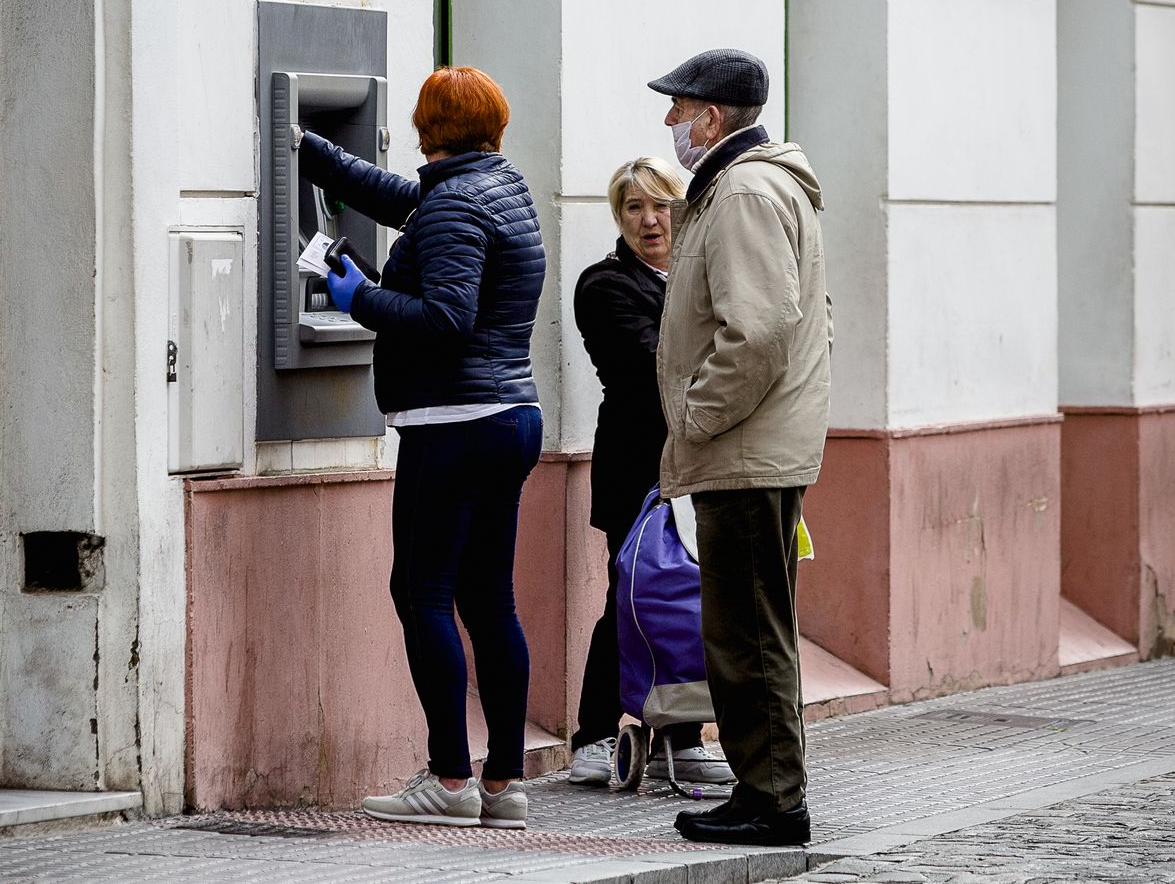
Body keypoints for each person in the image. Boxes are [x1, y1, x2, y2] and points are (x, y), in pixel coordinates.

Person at [298, 66, 545, 830]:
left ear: (427, 127)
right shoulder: (499, 187)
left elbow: (445, 317)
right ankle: (504, 784)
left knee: (423, 596)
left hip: (452, 422)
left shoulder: (454, 204)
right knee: (490, 600)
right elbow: (408, 201)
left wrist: (355, 297)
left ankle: (447, 778)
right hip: (510, 416)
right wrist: (312, 151)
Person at [646, 48, 832, 846]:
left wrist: (695, 416)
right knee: (751, 630)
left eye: (678, 108)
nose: (670, 122)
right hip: (751, 447)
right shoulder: (741, 185)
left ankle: (772, 800)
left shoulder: (746, 191)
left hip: (745, 450)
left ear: (712, 118)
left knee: (747, 635)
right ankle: (766, 792)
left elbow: (757, 329)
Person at [566, 157, 735, 789]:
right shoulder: (604, 285)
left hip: (699, 467)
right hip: (636, 471)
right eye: (635, 207)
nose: (650, 220)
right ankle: (593, 734)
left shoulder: (698, 280)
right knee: (632, 602)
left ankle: (684, 735)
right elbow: (652, 363)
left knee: (689, 605)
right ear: (620, 217)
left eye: (662, 205)